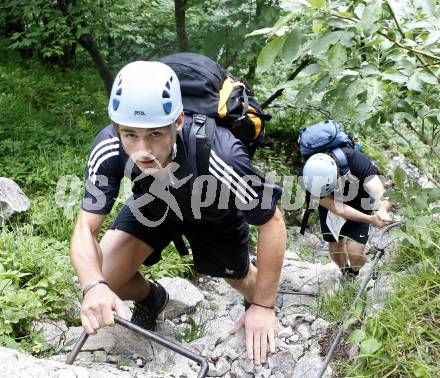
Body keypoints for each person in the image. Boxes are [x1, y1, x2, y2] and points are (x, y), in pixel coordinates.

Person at [70, 60, 286, 365]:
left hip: (214, 212)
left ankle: (256, 297)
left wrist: (264, 306)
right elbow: (84, 229)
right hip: (154, 204)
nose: (142, 149)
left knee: (241, 281)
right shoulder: (109, 145)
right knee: (102, 275)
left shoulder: (219, 152)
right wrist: (93, 286)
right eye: (130, 135)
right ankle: (152, 299)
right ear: (117, 127)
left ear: (179, 122)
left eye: (155, 135)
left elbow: (272, 220)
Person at [301, 149, 392, 280]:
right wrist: (371, 219)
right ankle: (345, 272)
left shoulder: (355, 161)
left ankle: (354, 273)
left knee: (355, 254)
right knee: (336, 247)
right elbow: (338, 208)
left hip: (360, 202)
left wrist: (382, 210)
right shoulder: (307, 178)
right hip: (332, 207)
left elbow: (382, 194)